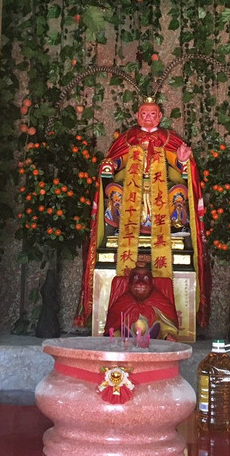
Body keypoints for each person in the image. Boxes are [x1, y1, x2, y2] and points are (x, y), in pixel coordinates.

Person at [75, 98, 209, 331]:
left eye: (152, 114)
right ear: (137, 116)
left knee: (177, 194)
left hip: (162, 195)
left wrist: (182, 160)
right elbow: (118, 160)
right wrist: (110, 165)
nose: (148, 118)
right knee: (114, 192)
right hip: (132, 194)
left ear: (160, 117)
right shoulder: (128, 138)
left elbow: (180, 166)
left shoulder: (169, 138)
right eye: (144, 114)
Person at [104, 263, 180, 340]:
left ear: (151, 283)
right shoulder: (122, 303)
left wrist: (168, 335)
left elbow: (167, 326)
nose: (141, 283)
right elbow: (113, 327)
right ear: (129, 283)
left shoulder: (161, 302)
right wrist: (114, 335)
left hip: (154, 343)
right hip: (126, 343)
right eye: (136, 278)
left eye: (146, 278)